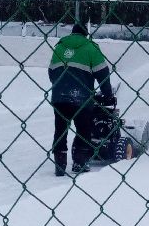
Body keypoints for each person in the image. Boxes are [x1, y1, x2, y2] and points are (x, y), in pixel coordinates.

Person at [48, 22, 115, 176]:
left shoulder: (59, 47)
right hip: (82, 98)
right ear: (86, 34)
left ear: (72, 33)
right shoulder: (91, 48)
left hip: (59, 98)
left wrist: (61, 87)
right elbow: (103, 74)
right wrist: (108, 95)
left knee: (60, 129)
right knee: (83, 129)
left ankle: (60, 164)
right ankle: (80, 162)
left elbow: (51, 73)